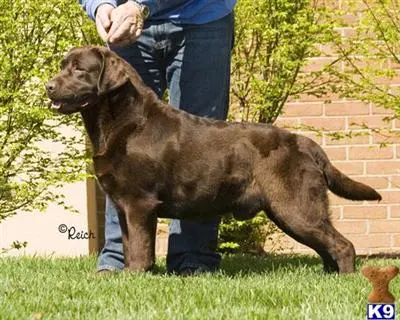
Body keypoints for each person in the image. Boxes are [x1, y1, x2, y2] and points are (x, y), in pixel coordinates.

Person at [79, 0, 236, 275]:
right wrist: (100, 6)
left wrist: (141, 5)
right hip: (125, 23)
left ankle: (194, 258)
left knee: (200, 144)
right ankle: (118, 258)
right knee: (120, 149)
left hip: (202, 18)